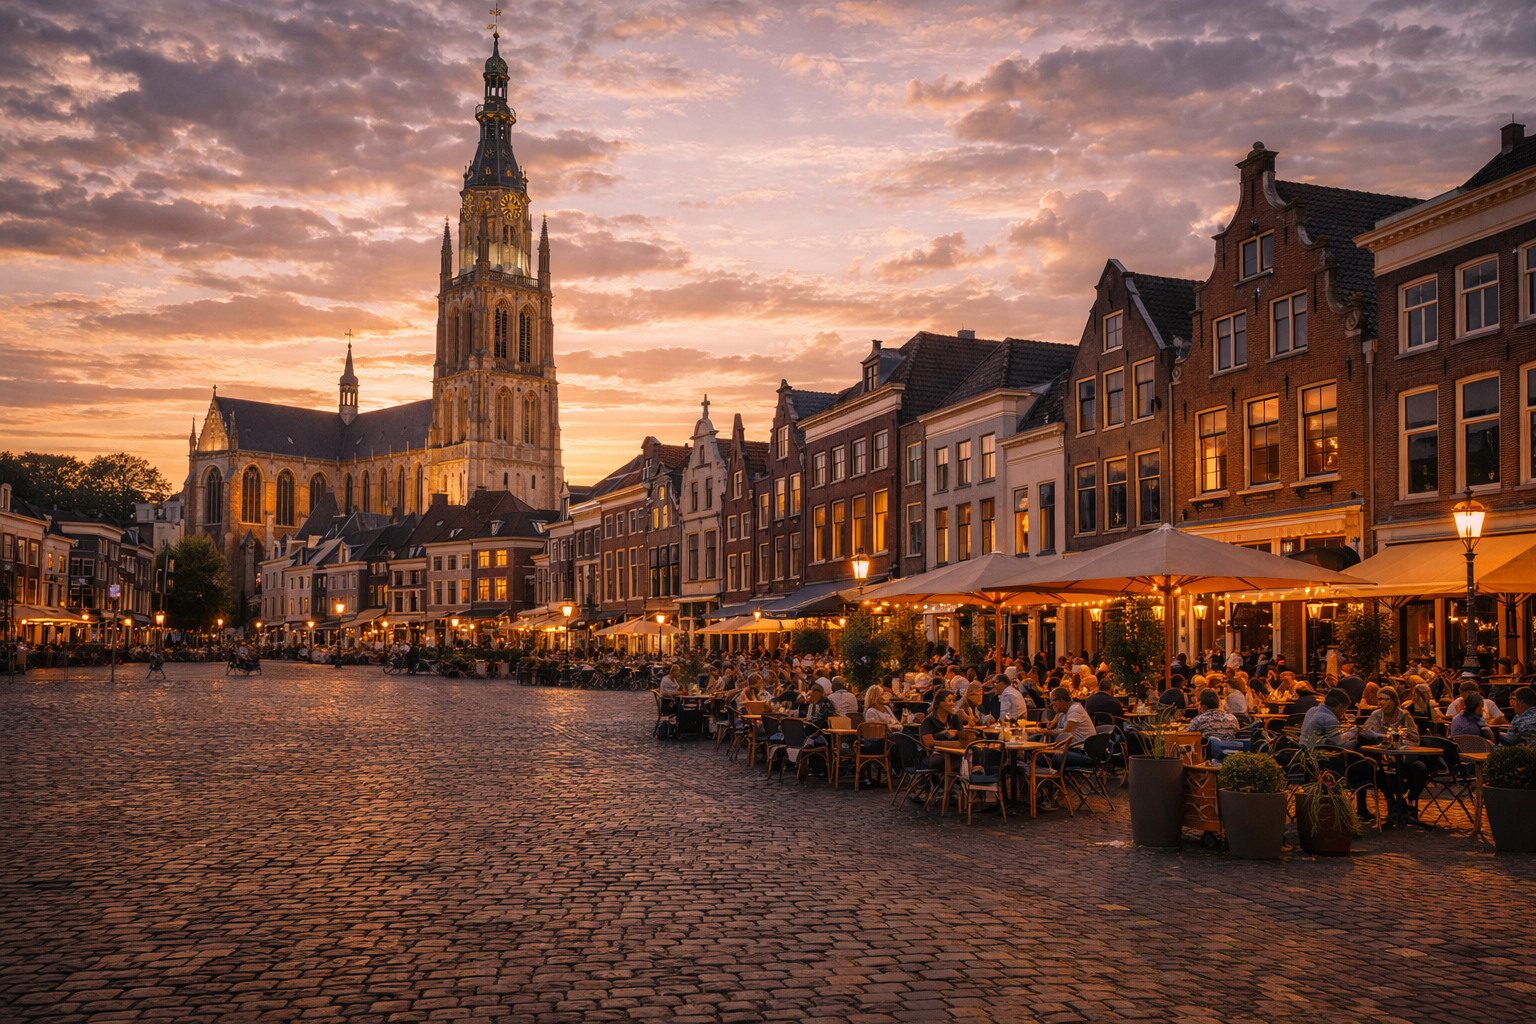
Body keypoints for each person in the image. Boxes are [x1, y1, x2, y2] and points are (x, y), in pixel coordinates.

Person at [1300, 688, 1376, 821]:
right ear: (1340, 706)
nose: (1344, 713)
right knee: (1367, 766)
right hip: (1328, 767)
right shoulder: (1329, 718)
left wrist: (1348, 734)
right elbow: (1340, 746)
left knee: (1361, 762)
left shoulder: (1312, 711)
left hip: (1307, 762)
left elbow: (1333, 740)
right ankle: (1366, 806)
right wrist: (1356, 737)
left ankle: (1364, 807)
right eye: (1344, 709)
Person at [1360, 686, 1428, 823]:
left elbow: (1415, 737)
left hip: (1404, 756)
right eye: (1380, 699)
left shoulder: (1404, 715)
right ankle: (1395, 804)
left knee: (1420, 769)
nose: (1382, 702)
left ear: (1395, 701)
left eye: (1385, 699)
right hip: (1382, 757)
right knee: (1387, 771)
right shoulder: (1376, 715)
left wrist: (1404, 735)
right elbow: (1366, 732)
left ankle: (1408, 802)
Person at [1041, 686, 1096, 769]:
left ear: (1060, 700)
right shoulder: (1063, 711)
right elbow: (1051, 726)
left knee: (1054, 755)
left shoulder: (1075, 710)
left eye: (1052, 701)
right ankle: (1049, 778)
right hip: (1071, 749)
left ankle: (1054, 778)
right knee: (1037, 751)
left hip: (1083, 752)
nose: (1051, 704)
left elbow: (1067, 732)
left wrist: (1048, 732)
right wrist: (1051, 724)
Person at [920, 690, 963, 769]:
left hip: (957, 753)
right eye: (949, 700)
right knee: (946, 760)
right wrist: (948, 740)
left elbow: (962, 740)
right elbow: (928, 742)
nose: (953, 703)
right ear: (939, 703)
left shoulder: (955, 719)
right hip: (936, 754)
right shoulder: (928, 721)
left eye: (953, 701)